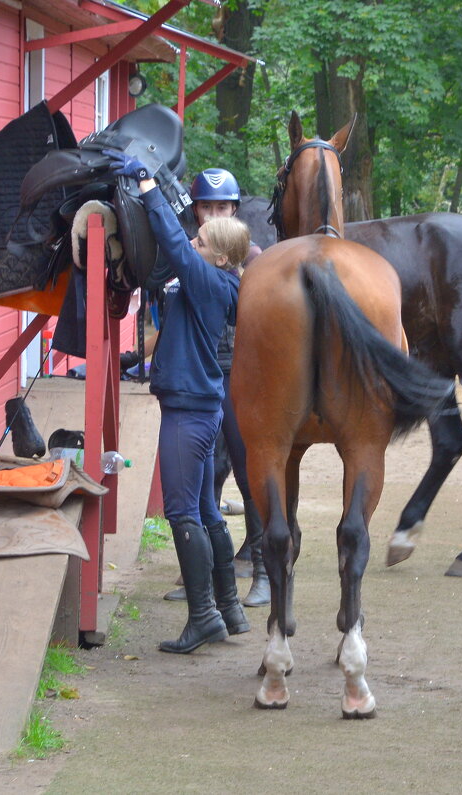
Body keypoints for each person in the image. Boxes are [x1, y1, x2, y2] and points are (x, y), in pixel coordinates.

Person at [105, 149, 251, 654]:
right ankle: (229, 608)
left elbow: (172, 239)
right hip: (200, 405)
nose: (195, 237)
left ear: (219, 255)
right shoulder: (220, 280)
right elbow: (178, 246)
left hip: (189, 410)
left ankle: (203, 615)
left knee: (181, 510)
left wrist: (146, 185)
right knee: (208, 509)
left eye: (203, 239)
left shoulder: (208, 278)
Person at [160, 168, 269, 608]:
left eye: (222, 208)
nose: (212, 215)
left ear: (234, 213)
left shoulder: (250, 259)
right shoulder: (190, 258)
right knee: (211, 476)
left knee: (249, 468)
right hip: (205, 373)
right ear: (196, 209)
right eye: (207, 206)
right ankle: (202, 578)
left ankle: (262, 569)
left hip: (237, 373)